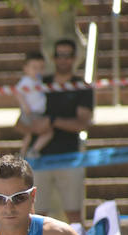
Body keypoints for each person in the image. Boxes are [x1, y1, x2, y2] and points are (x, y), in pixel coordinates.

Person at [28, 39, 93, 224]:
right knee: (36, 215)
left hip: (69, 157)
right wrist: (33, 127)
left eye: (68, 55)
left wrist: (52, 122)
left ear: (74, 58)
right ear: (53, 58)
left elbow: (83, 122)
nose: (63, 59)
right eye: (59, 55)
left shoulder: (82, 86)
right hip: (39, 157)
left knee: (74, 214)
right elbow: (21, 121)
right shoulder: (41, 83)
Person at [15, 51, 52, 159]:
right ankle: (33, 151)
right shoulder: (26, 81)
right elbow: (18, 93)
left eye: (41, 67)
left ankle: (24, 153)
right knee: (47, 132)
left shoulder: (39, 81)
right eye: (34, 67)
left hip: (38, 112)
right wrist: (25, 106)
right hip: (31, 112)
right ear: (26, 68)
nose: (38, 71)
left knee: (30, 134)